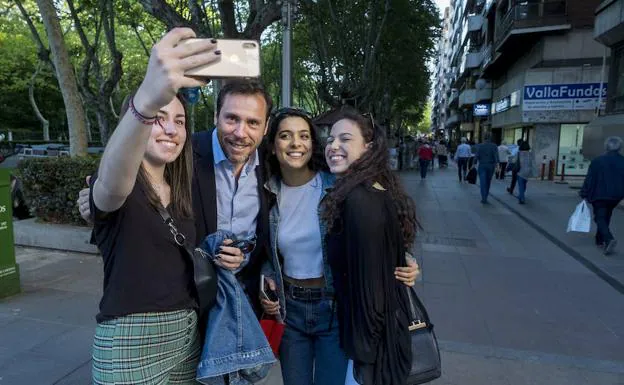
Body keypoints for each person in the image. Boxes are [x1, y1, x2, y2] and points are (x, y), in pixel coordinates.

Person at [88, 28, 220, 384]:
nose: (171, 129)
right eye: (159, 118)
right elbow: (110, 185)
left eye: (179, 121)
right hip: (130, 343)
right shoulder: (121, 186)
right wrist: (147, 99)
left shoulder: (183, 190)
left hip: (186, 338)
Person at [259, 108, 420, 385]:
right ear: (273, 146)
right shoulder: (266, 193)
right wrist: (268, 277)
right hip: (290, 311)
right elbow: (264, 250)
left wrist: (404, 258)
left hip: (332, 310)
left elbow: (373, 231)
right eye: (285, 136)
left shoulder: (339, 186)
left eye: (304, 136)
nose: (296, 143)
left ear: (312, 144)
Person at [323, 112, 417, 385]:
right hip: (377, 340)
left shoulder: (359, 200)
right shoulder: (371, 189)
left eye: (345, 139)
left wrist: (365, 357)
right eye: (330, 139)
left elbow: (370, 287)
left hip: (372, 350)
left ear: (368, 147)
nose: (334, 146)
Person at [580, 136, 624, 255]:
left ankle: (608, 238)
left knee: (599, 217)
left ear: (606, 147)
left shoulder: (598, 161)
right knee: (606, 215)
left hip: (600, 194)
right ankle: (600, 239)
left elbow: (590, 178)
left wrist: (584, 192)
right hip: (616, 195)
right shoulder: (623, 161)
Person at [474, 134, 499, 204]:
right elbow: (496, 157)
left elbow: (476, 156)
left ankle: (483, 198)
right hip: (491, 166)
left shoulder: (480, 146)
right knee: (488, 182)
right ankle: (486, 196)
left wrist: (473, 164)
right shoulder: (494, 146)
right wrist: (497, 166)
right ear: (490, 138)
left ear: (484, 138)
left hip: (482, 165)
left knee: (482, 182)